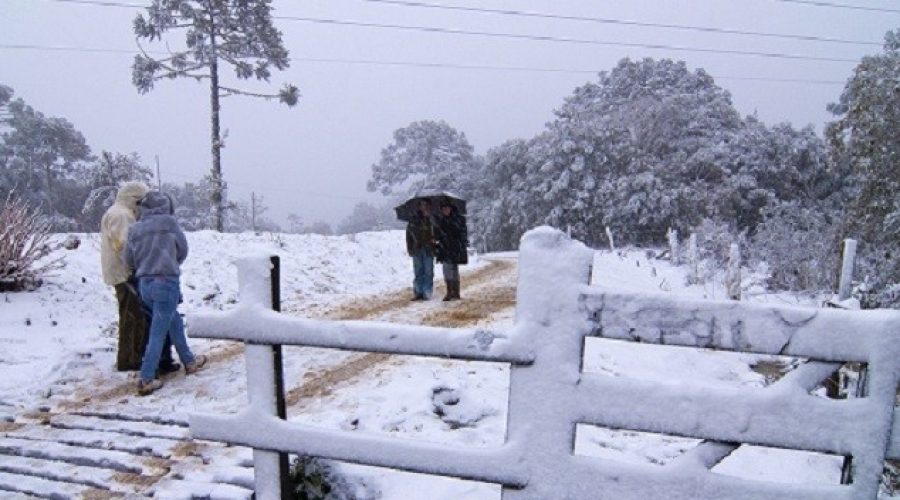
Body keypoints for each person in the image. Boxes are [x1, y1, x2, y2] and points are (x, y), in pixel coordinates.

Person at [124, 190, 207, 395]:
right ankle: (146, 378)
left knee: (172, 321)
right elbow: (183, 250)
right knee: (158, 332)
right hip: (165, 282)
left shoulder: (135, 229)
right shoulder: (169, 224)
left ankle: (189, 361)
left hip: (145, 284)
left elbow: (128, 259)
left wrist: (145, 266)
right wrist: (170, 262)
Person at [100, 181, 178, 373]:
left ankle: (133, 356)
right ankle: (129, 360)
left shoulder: (117, 212)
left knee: (133, 315)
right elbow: (126, 245)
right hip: (124, 273)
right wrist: (141, 265)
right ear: (134, 199)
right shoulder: (122, 215)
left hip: (121, 271)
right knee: (132, 317)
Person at [435, 202, 468, 301]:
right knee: (447, 270)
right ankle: (450, 292)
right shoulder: (441, 221)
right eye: (443, 209)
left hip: (455, 248)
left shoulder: (459, 219)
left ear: (451, 208)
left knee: (454, 270)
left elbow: (462, 233)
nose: (445, 211)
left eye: (446, 208)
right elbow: (438, 235)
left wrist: (459, 244)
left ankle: (455, 292)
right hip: (444, 248)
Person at [405, 199, 437, 300]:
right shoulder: (413, 220)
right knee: (418, 271)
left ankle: (427, 292)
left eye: (426, 205)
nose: (424, 207)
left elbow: (439, 232)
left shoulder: (433, 219)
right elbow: (408, 236)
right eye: (422, 205)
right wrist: (410, 248)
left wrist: (435, 239)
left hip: (429, 249)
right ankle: (418, 292)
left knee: (428, 271)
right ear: (419, 207)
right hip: (417, 249)